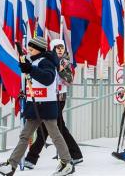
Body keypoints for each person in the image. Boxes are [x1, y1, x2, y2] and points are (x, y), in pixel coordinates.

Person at [0, 37, 74, 176]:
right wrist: (28, 66)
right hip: (35, 105)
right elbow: (33, 77)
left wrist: (31, 69)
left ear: (39, 49)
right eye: (28, 49)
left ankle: (67, 162)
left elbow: (48, 78)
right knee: (25, 136)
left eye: (31, 49)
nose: (29, 51)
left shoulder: (46, 61)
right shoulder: (36, 61)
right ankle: (11, 165)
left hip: (46, 105)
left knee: (55, 135)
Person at [23, 39, 83, 170]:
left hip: (58, 98)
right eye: (57, 47)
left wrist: (59, 69)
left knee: (49, 129)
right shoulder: (46, 59)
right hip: (47, 98)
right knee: (54, 128)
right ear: (52, 49)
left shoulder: (64, 62)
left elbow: (69, 79)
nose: (60, 50)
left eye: (62, 47)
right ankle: (74, 154)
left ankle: (31, 158)